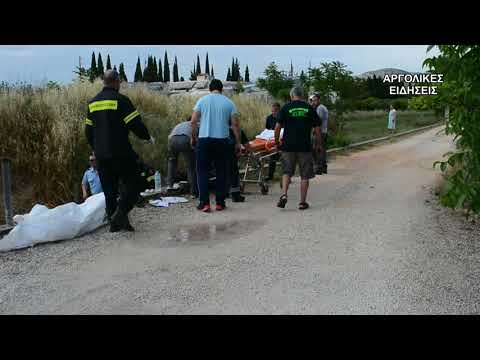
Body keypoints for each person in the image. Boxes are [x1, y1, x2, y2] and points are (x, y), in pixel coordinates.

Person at [85, 69, 154, 232]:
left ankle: (115, 224)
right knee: (134, 183)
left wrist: (95, 148)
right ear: (116, 82)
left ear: (104, 82)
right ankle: (121, 214)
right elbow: (135, 124)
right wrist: (147, 137)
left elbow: (88, 132)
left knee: (109, 191)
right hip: (122, 153)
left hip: (101, 155)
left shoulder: (93, 103)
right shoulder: (121, 100)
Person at [191, 79, 241, 213]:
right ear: (221, 89)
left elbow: (193, 121)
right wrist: (237, 142)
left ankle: (204, 203)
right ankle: (220, 203)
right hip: (222, 141)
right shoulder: (229, 103)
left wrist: (193, 137)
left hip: (204, 140)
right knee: (221, 172)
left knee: (202, 171)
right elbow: (235, 124)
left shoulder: (202, 101)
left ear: (209, 89)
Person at [274, 86, 322, 210]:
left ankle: (284, 194)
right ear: (303, 95)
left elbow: (277, 127)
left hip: (288, 146)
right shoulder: (309, 108)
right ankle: (302, 202)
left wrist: (276, 142)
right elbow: (317, 129)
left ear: (292, 95)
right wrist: (319, 144)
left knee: (286, 172)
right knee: (305, 175)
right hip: (304, 147)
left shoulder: (285, 107)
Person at [167, 116, 198, 197]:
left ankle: (169, 186)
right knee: (190, 166)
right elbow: (196, 138)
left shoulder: (180, 124)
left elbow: (169, 136)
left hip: (172, 140)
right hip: (185, 139)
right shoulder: (196, 124)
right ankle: (193, 191)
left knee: (172, 163)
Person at [226, 127, 250, 202]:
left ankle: (224, 193)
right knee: (234, 174)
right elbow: (246, 144)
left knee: (222, 173)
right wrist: (247, 151)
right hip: (231, 154)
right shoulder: (238, 130)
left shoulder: (219, 129)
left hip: (219, 154)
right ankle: (235, 195)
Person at [309, 92, 329, 174]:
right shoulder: (320, 107)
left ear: (319, 99)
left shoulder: (320, 108)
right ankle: (323, 167)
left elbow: (318, 121)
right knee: (321, 150)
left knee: (317, 150)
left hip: (320, 132)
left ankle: (319, 168)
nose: (313, 102)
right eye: (312, 100)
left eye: (315, 100)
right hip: (323, 131)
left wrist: (315, 131)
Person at [265, 102, 281, 181]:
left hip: (279, 139)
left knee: (276, 157)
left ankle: (286, 176)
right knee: (272, 157)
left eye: (275, 111)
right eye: (272, 111)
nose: (273, 113)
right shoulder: (269, 118)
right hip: (270, 139)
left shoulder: (282, 118)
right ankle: (270, 175)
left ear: (279, 110)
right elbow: (267, 130)